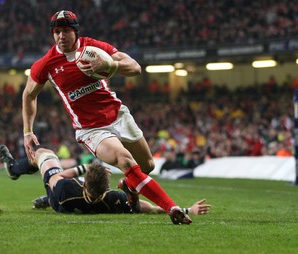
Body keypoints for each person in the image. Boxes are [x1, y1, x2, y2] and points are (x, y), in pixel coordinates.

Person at [21, 10, 198, 224]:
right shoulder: (46, 64)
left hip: (118, 116)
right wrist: (28, 131)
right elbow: (29, 95)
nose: (61, 36)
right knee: (125, 160)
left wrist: (111, 66)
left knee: (147, 166)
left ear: (75, 31)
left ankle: (128, 187)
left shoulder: (95, 48)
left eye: (66, 30)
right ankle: (172, 208)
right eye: (57, 32)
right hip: (91, 129)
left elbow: (135, 67)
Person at [0, 145, 211, 218]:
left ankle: (14, 170)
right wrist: (187, 210)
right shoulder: (112, 199)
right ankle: (43, 196)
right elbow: (150, 208)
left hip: (59, 198)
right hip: (70, 201)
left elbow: (58, 177)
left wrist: (83, 168)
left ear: (85, 183)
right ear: (105, 189)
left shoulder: (66, 187)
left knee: (44, 154)